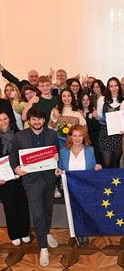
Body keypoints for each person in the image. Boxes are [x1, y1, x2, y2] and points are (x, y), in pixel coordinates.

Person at [9, 106, 59, 267]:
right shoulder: (20, 136)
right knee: (38, 215)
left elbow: (55, 152)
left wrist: (56, 156)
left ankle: (45, 233)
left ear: (44, 120)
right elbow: (13, 156)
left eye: (39, 119)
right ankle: (43, 247)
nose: (37, 122)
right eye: (33, 119)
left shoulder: (52, 134)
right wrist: (16, 168)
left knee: (47, 210)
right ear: (29, 120)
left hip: (49, 180)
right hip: (31, 182)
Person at [55, 125, 102, 246]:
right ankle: (77, 232)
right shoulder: (63, 152)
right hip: (69, 188)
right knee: (74, 212)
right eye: (74, 136)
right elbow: (59, 171)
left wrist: (98, 167)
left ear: (84, 137)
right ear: (70, 137)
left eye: (80, 136)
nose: (77, 139)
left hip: (85, 188)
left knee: (85, 210)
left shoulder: (90, 150)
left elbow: (93, 167)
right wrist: (57, 171)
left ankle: (84, 232)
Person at [0, 109, 30, 245]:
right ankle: (14, 234)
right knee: (9, 206)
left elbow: (25, 154)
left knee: (22, 204)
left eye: (5, 119)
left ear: (10, 120)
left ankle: (24, 231)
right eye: (0, 120)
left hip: (20, 175)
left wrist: (20, 169)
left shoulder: (19, 135)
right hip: (3, 180)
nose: (3, 122)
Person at [97, 77, 124, 168]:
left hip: (118, 135)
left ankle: (115, 181)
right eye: (111, 86)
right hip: (105, 135)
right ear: (108, 87)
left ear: (119, 86)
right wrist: (95, 115)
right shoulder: (102, 99)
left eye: (116, 85)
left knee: (116, 162)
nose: (114, 88)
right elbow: (99, 117)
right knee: (107, 163)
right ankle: (107, 182)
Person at [79, 93, 101, 164]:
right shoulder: (78, 113)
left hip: (94, 141)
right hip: (82, 141)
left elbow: (96, 128)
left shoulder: (94, 112)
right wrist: (83, 118)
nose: (86, 102)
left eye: (88, 99)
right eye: (83, 100)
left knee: (95, 159)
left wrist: (93, 118)